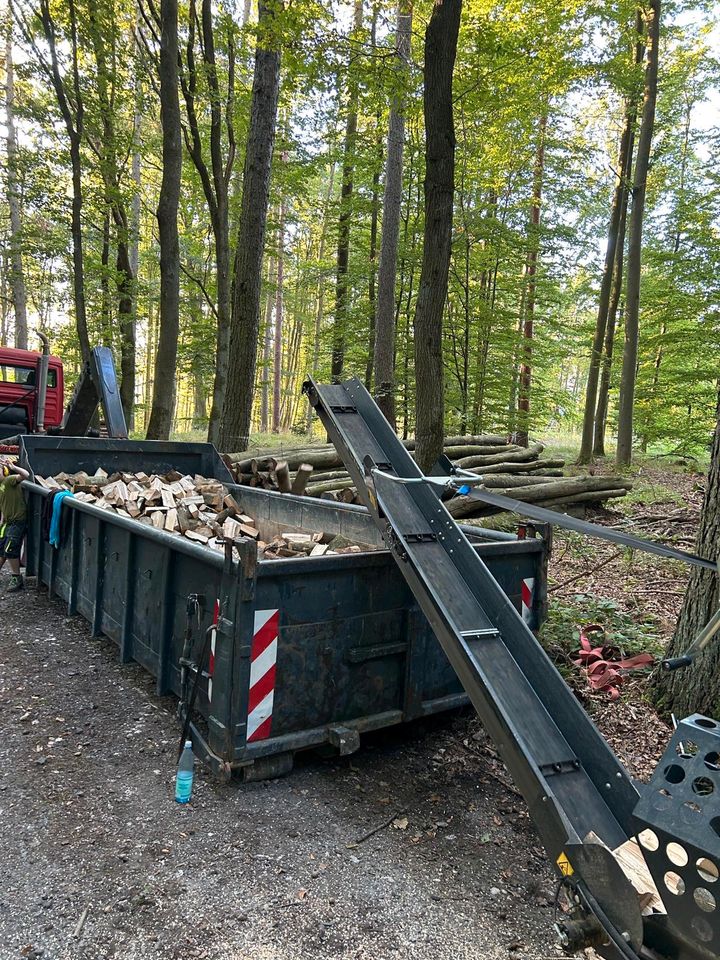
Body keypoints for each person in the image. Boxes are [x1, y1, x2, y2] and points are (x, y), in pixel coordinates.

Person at [0, 457, 30, 592]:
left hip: (17, 521)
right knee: (1, 548)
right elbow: (3, 505)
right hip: (7, 522)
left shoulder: (9, 480)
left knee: (10, 549)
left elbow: (26, 475)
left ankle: (16, 577)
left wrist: (13, 467)